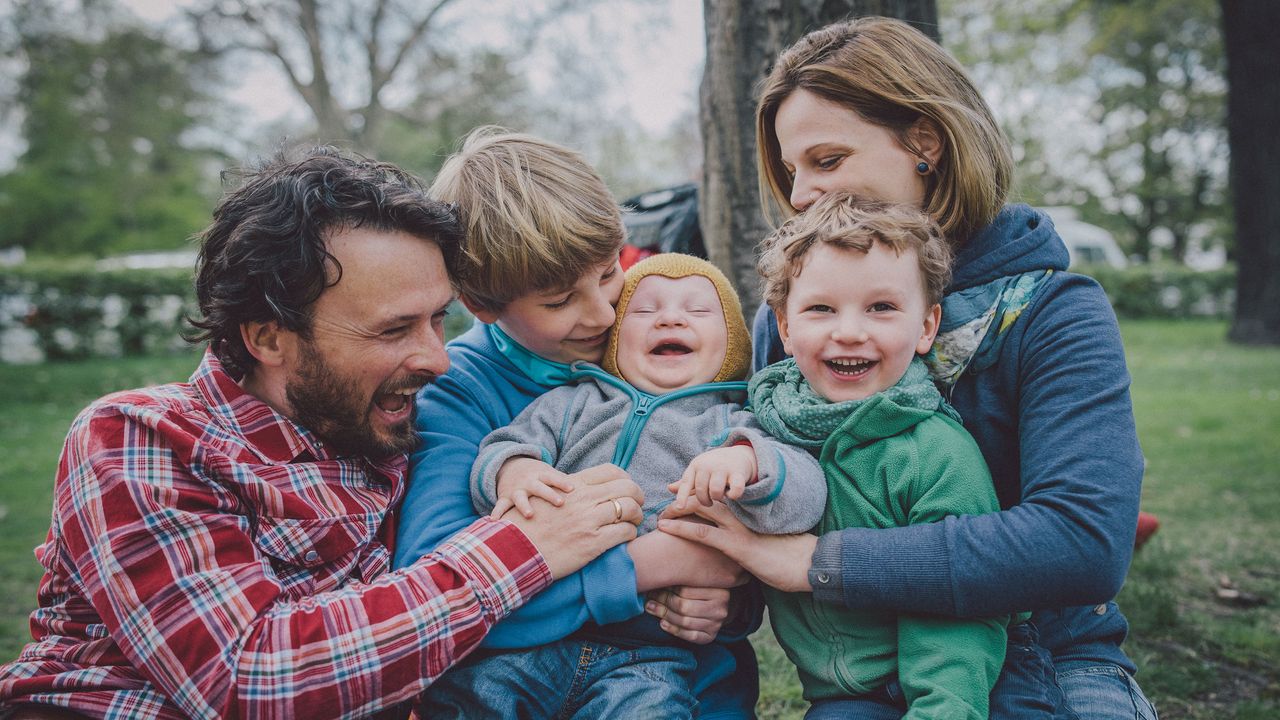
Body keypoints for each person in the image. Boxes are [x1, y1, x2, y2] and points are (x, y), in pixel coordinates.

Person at [0, 147, 644, 720]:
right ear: (268, 337)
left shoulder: (394, 424)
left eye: (436, 320)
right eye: (394, 330)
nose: (436, 359)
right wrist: (522, 548)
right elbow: (246, 679)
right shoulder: (142, 439)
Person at [659, 16, 1158, 719]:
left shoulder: (1052, 310)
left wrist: (815, 564)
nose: (800, 194)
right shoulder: (791, 322)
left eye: (826, 161)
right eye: (792, 169)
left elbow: (1081, 543)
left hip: (1042, 655)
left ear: (925, 142)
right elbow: (762, 492)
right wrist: (715, 586)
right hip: (854, 671)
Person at [392, 129, 761, 718]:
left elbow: (741, 554)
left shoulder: (675, 351)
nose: (603, 312)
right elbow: (438, 602)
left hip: (679, 684)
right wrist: (653, 565)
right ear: (482, 306)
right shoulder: (459, 391)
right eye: (560, 300)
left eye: (610, 271)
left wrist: (728, 599)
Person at [421, 253, 827, 718]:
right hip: (534, 644)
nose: (671, 318)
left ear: (732, 342)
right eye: (645, 310)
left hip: (651, 653)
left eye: (697, 311)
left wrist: (750, 461)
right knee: (468, 694)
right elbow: (503, 447)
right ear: (615, 336)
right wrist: (513, 469)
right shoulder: (570, 404)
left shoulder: (735, 425)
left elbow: (806, 495)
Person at [748, 195, 1012, 718]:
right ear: (783, 326)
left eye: (882, 307)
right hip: (840, 696)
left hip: (939, 689)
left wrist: (942, 708)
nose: (849, 331)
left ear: (926, 328)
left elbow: (958, 605)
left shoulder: (935, 453)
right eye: (821, 308)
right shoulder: (765, 425)